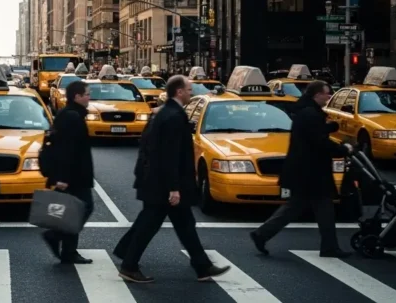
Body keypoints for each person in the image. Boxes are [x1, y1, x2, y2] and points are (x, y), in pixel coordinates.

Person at [115, 75, 230, 283]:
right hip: (164, 185)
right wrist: (174, 188)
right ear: (179, 91)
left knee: (183, 224)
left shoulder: (166, 113)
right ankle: (129, 265)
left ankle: (202, 266)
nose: (191, 92)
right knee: (152, 224)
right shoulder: (174, 117)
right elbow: (170, 156)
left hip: (159, 182)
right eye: (188, 89)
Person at [250, 81, 353, 258]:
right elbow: (318, 141)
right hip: (312, 171)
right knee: (323, 207)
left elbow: (312, 133)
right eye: (327, 94)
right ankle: (329, 247)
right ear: (317, 95)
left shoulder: (307, 112)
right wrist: (344, 150)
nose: (329, 97)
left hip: (304, 170)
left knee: (295, 207)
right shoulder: (310, 114)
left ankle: (262, 234)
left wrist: (331, 127)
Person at [41, 80, 94, 264]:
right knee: (83, 208)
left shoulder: (71, 115)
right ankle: (55, 235)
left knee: (74, 211)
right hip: (74, 176)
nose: (89, 97)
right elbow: (65, 150)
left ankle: (69, 251)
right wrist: (62, 178)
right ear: (77, 97)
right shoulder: (71, 117)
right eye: (87, 94)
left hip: (75, 174)